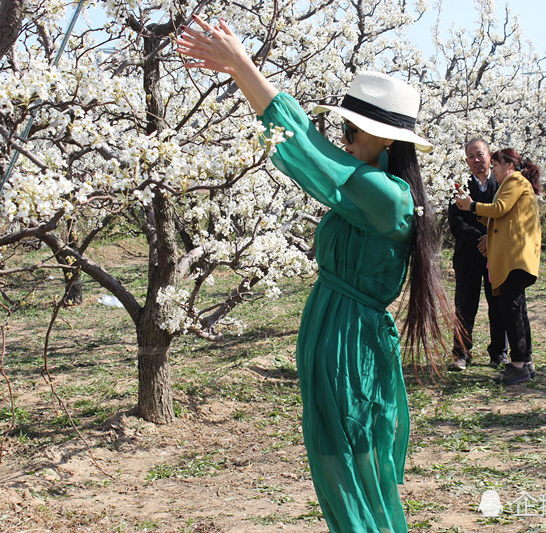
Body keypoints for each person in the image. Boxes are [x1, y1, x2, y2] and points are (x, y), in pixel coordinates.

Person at [176, 16, 456, 532]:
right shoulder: (370, 189)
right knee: (340, 463)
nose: (342, 138)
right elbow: (321, 158)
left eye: (351, 131)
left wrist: (244, 70)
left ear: (385, 139)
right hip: (336, 338)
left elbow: (311, 152)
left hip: (349, 345)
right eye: (342, 129)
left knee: (351, 465)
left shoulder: (387, 195)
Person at [456, 148, 541, 385]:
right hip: (516, 256)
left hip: (514, 256)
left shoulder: (514, 180)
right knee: (517, 309)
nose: (493, 168)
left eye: (496, 164)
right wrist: (471, 209)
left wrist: (472, 206)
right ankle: (525, 362)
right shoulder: (515, 183)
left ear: (509, 166)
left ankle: (518, 365)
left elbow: (499, 209)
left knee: (511, 310)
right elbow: (500, 216)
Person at [447, 138, 509, 371]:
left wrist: (491, 240)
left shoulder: (503, 184)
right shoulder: (458, 186)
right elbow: (456, 223)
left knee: (499, 304)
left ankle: (499, 353)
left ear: (490, 156)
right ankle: (461, 353)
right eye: (471, 156)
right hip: (468, 256)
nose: (476, 160)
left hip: (497, 256)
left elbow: (504, 215)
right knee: (465, 306)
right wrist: (480, 239)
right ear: (466, 161)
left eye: (480, 155)